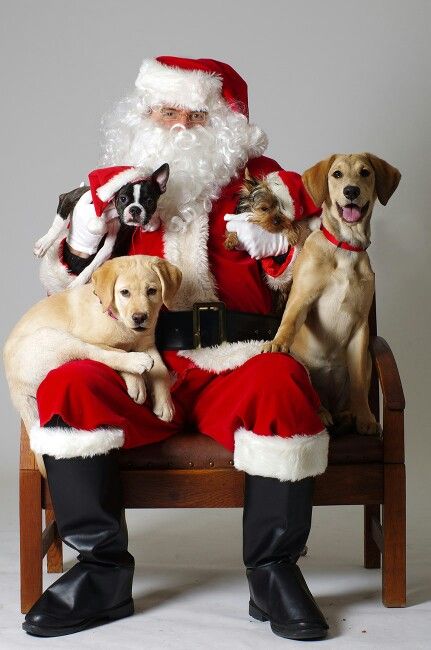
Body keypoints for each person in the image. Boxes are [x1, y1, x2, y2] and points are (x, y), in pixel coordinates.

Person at [25, 57, 330, 641]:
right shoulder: (119, 189)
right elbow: (65, 285)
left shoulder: (265, 185)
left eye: (199, 114)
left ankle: (273, 571)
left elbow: (314, 279)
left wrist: (283, 245)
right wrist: (84, 242)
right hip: (139, 365)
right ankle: (101, 571)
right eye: (169, 111)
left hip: (234, 362)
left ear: (227, 123)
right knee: (65, 386)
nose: (182, 126)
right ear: (145, 115)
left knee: (281, 381)